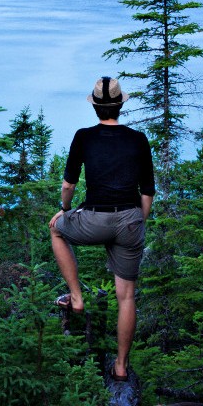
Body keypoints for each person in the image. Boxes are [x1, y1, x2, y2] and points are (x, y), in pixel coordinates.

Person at [49, 76, 155, 382]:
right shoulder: (138, 139)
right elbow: (147, 191)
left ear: (95, 106)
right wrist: (138, 221)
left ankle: (77, 297)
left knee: (56, 230)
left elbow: (68, 184)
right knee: (126, 297)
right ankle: (121, 366)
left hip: (93, 219)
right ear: (121, 104)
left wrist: (65, 210)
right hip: (130, 220)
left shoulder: (83, 136)